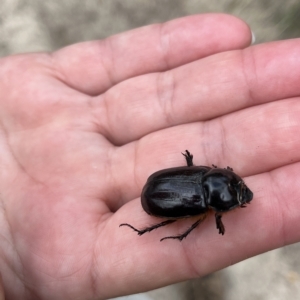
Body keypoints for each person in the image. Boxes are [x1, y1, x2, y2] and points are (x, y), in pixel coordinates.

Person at [0, 13, 299, 299]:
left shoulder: (205, 175)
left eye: (235, 189)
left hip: (164, 189)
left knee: (187, 225)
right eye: (236, 188)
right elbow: (199, 215)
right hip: (158, 201)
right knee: (187, 226)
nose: (237, 189)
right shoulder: (205, 203)